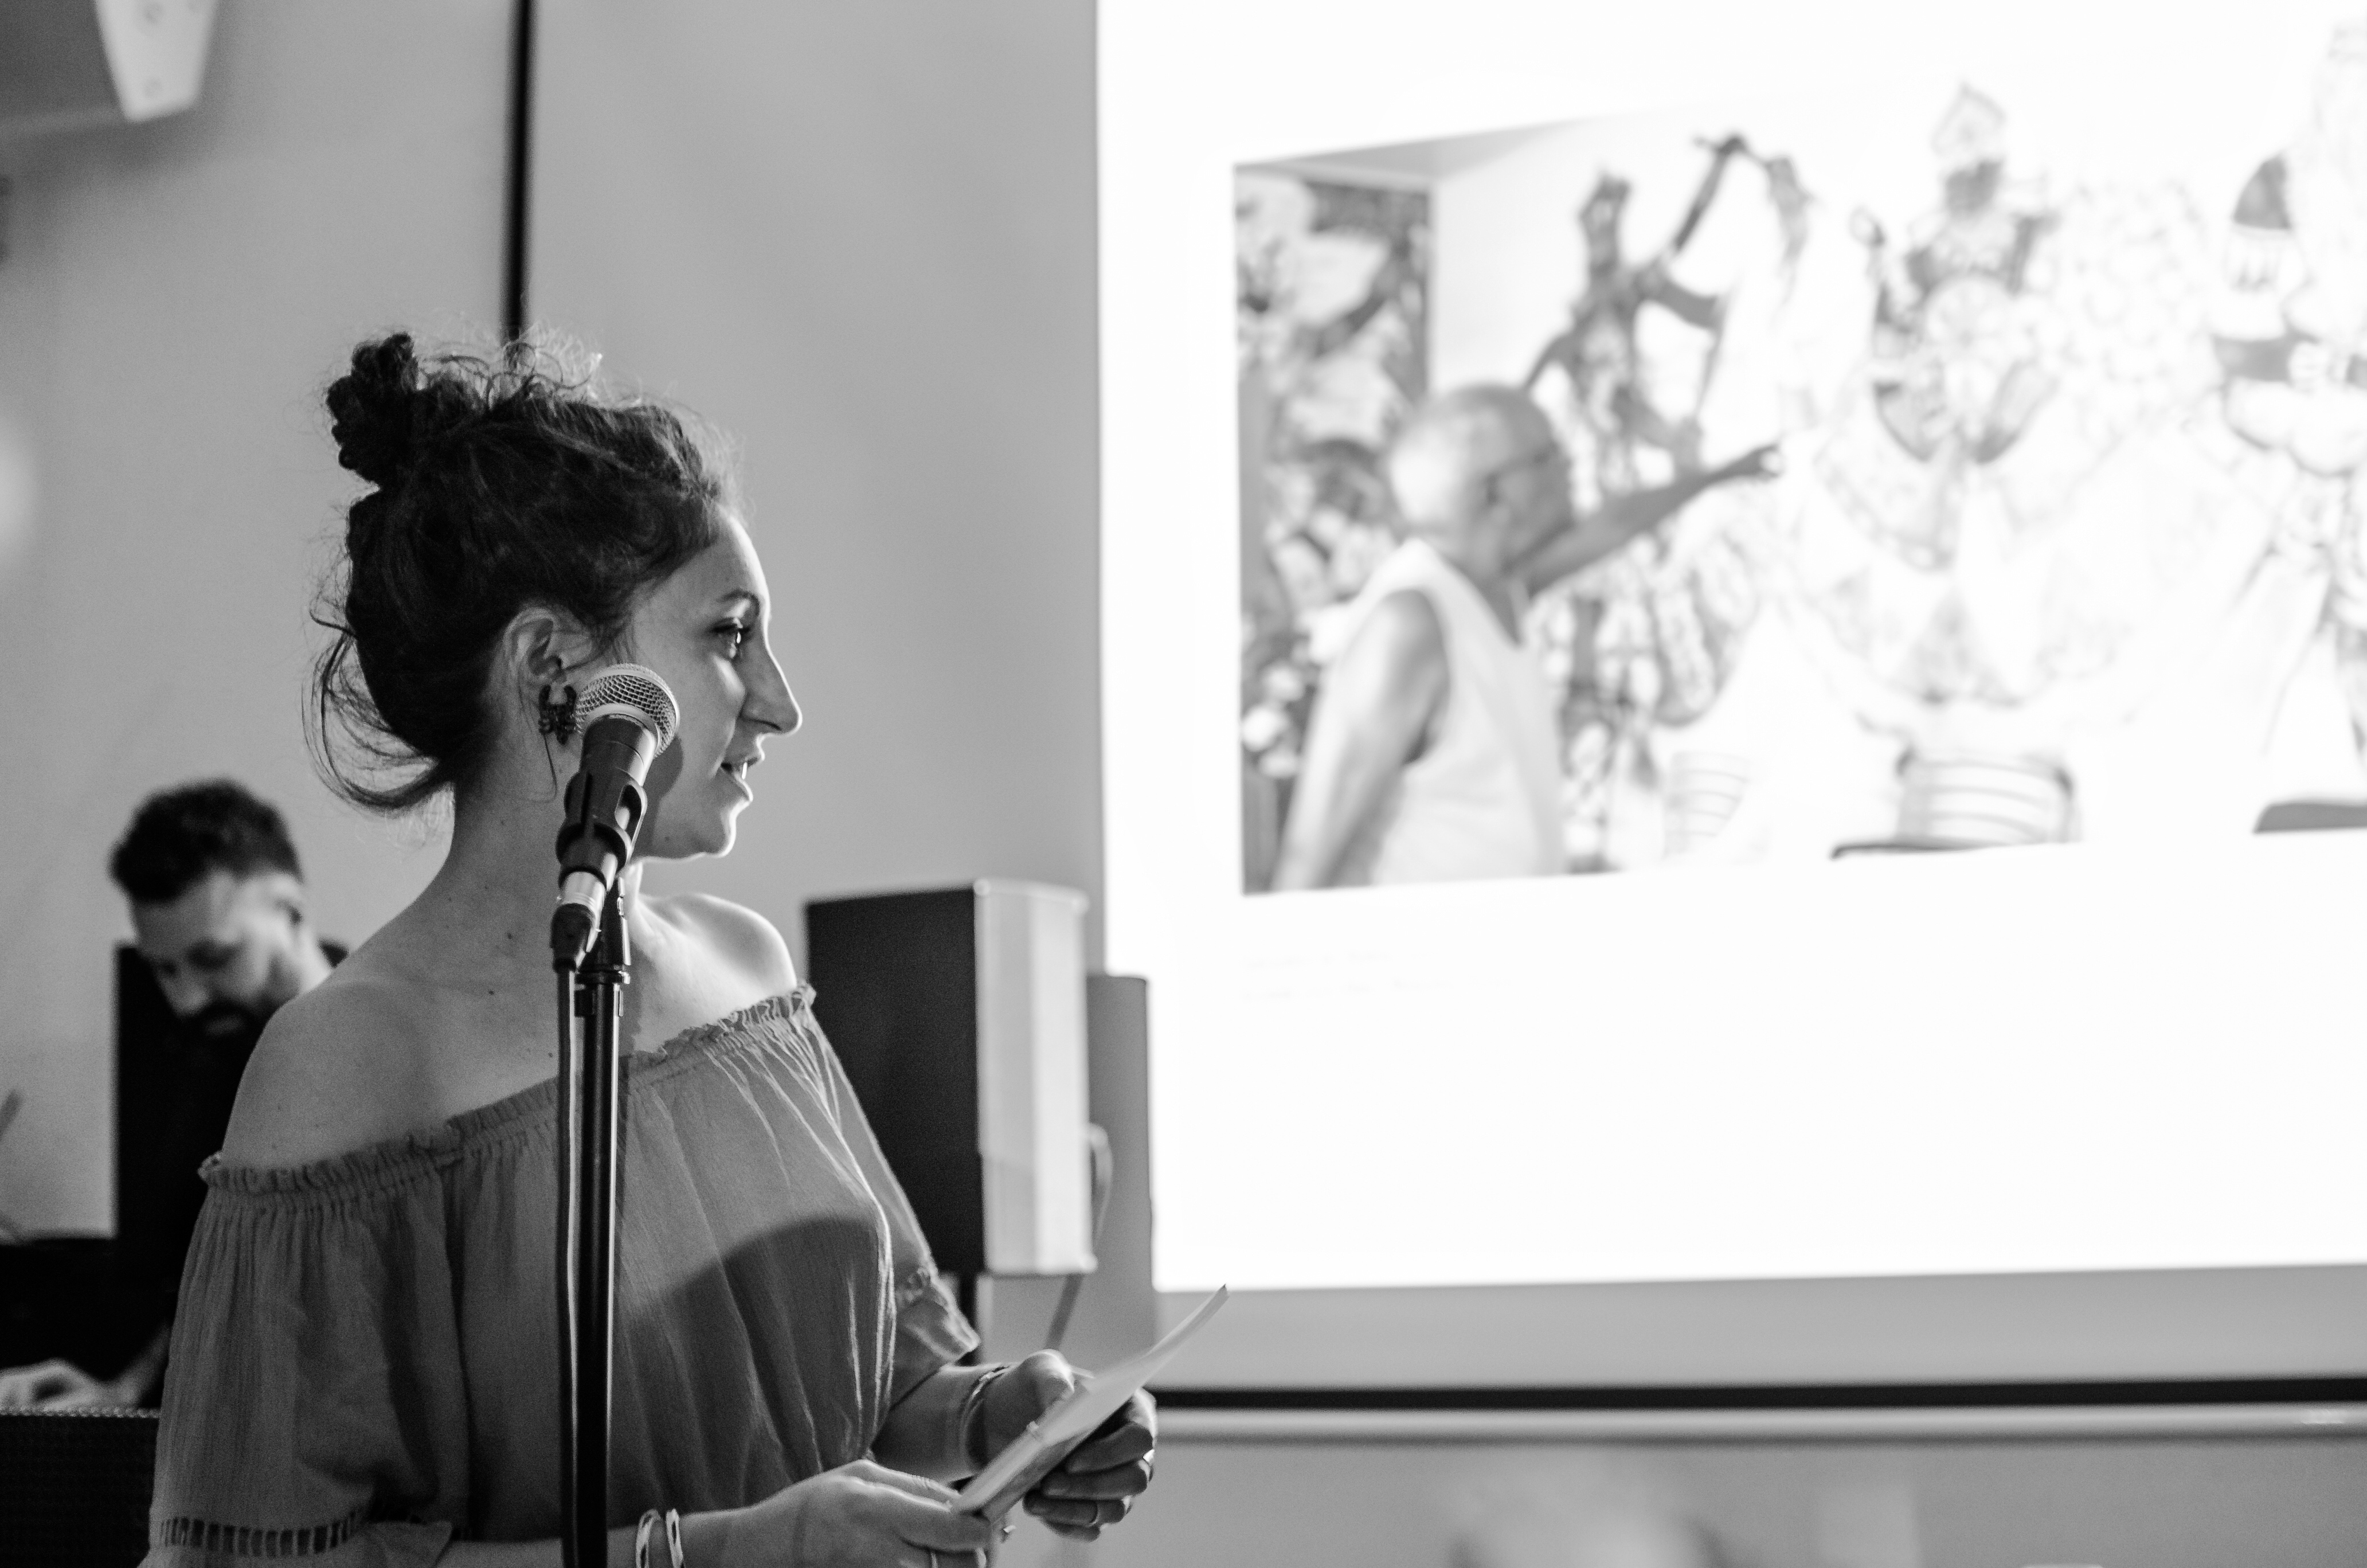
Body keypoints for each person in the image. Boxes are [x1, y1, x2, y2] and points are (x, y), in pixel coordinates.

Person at [142, 335, 1154, 1568]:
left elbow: (888, 1384)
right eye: (730, 635)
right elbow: (268, 1560)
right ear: (550, 666)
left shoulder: (749, 969)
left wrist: (1004, 1413)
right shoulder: (347, 1059)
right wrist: (724, 1552)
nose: (778, 700)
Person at [1271, 386, 1775, 890]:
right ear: (1493, 496)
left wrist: (1725, 473)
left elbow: (1614, 525)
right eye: (1548, 456)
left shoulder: (1500, 588)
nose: (1569, 468)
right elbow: (1305, 858)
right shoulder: (1409, 622)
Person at [0, 781, 337, 1411]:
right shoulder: (212, 1055)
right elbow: (206, 1285)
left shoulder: (366, 1056)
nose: (186, 998)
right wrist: (123, 1392)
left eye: (213, 957)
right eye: (164, 968)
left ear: (290, 909)